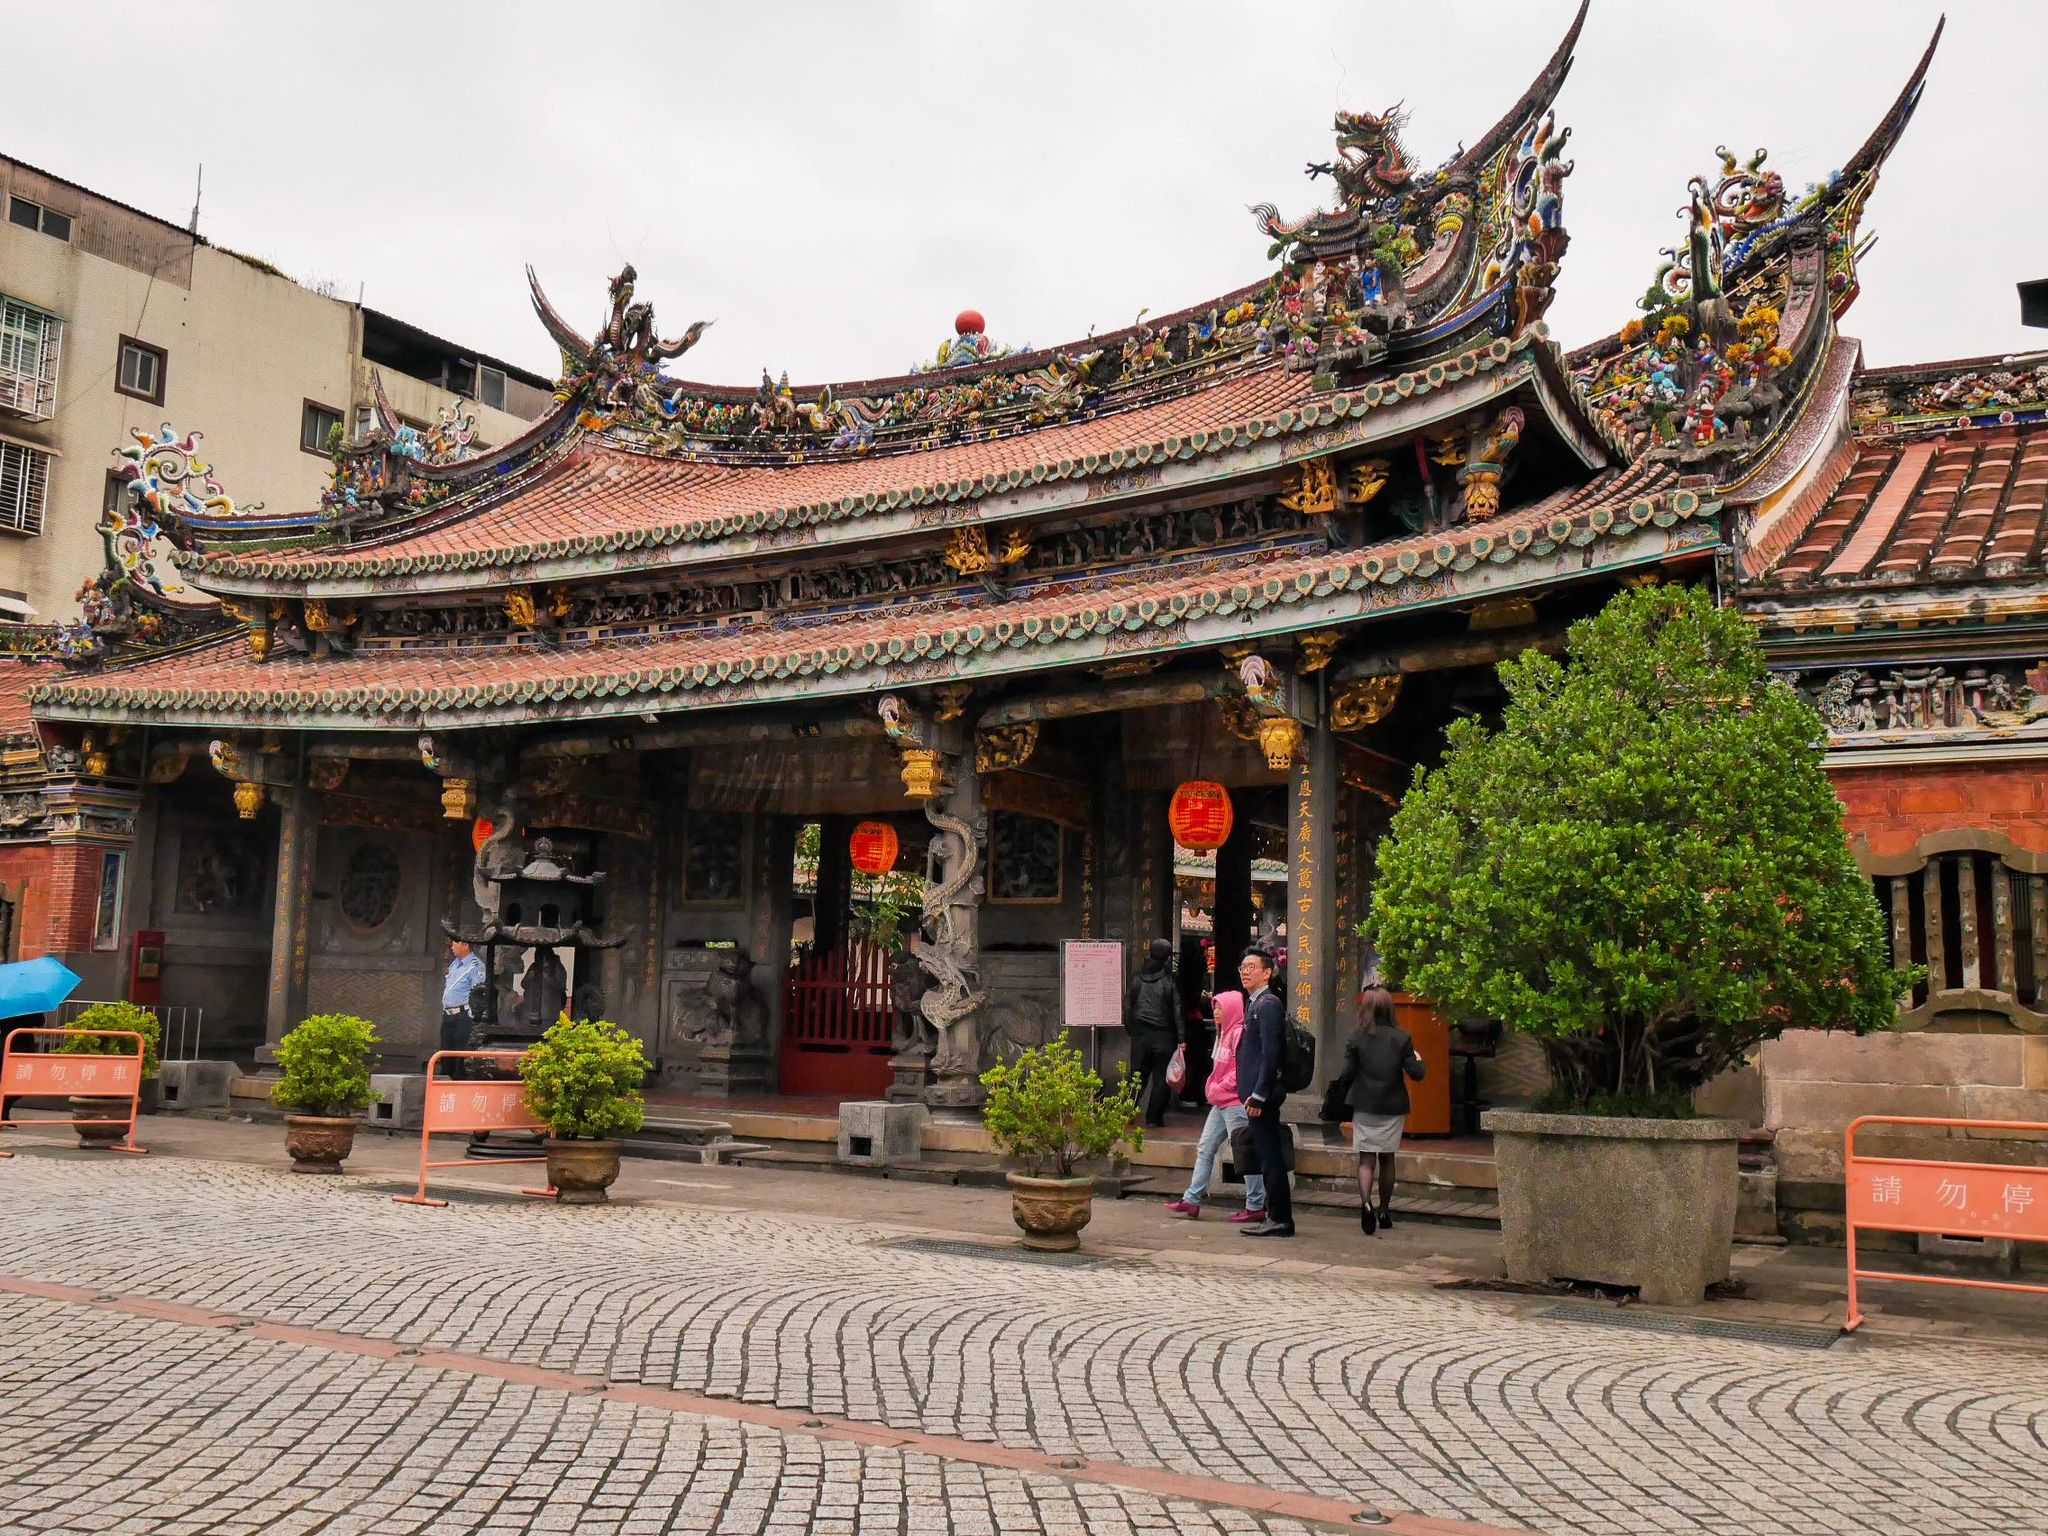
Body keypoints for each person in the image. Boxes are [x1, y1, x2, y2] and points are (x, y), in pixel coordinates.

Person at [1162, 991, 1266, 1222]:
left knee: (1244, 1153)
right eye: (1214, 1007)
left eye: (1220, 1008)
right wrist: (1213, 1087)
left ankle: (1255, 1204)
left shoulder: (1239, 1033)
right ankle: (1192, 1199)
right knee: (1205, 1147)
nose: (1216, 1012)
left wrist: (1218, 1088)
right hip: (1220, 1103)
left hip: (1235, 1103)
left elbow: (1241, 1072)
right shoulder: (1223, 1033)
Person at [1339, 986, 1427, 1235]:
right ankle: (1384, 1210)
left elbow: (1347, 1073)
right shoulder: (1402, 1038)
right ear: (1390, 1009)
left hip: (1365, 1104)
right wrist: (1418, 1059)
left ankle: (1365, 1202)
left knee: (1366, 1159)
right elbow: (1417, 1074)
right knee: (1387, 1159)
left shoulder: (1356, 1038)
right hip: (1392, 1106)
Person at [1237, 947, 1293, 1237]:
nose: (1245, 972)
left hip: (1262, 1097)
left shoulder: (1268, 1004)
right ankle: (1277, 1216)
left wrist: (1259, 1094)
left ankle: (1280, 1218)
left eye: (1251, 967)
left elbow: (1271, 1054)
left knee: (1270, 1156)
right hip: (1255, 1095)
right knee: (1266, 1155)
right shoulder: (1254, 1003)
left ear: (1267, 973)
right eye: (1243, 967)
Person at [1123, 937, 1180, 1129]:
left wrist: (1133, 1030)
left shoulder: (1137, 978)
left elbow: (1127, 1007)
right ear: (1167, 958)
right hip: (1164, 1037)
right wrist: (1181, 1038)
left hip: (1140, 1037)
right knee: (1160, 1079)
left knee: (1136, 1076)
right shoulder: (1168, 980)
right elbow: (1177, 1010)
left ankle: (1125, 1113)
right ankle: (1154, 1118)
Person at [439, 940, 486, 1080]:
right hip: (448, 1014)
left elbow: (478, 993)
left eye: (455, 943)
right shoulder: (455, 963)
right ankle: (446, 1083)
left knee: (460, 1052)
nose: (452, 947)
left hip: (463, 1015)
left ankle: (458, 1081)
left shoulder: (475, 966)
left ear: (465, 945)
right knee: (446, 1050)